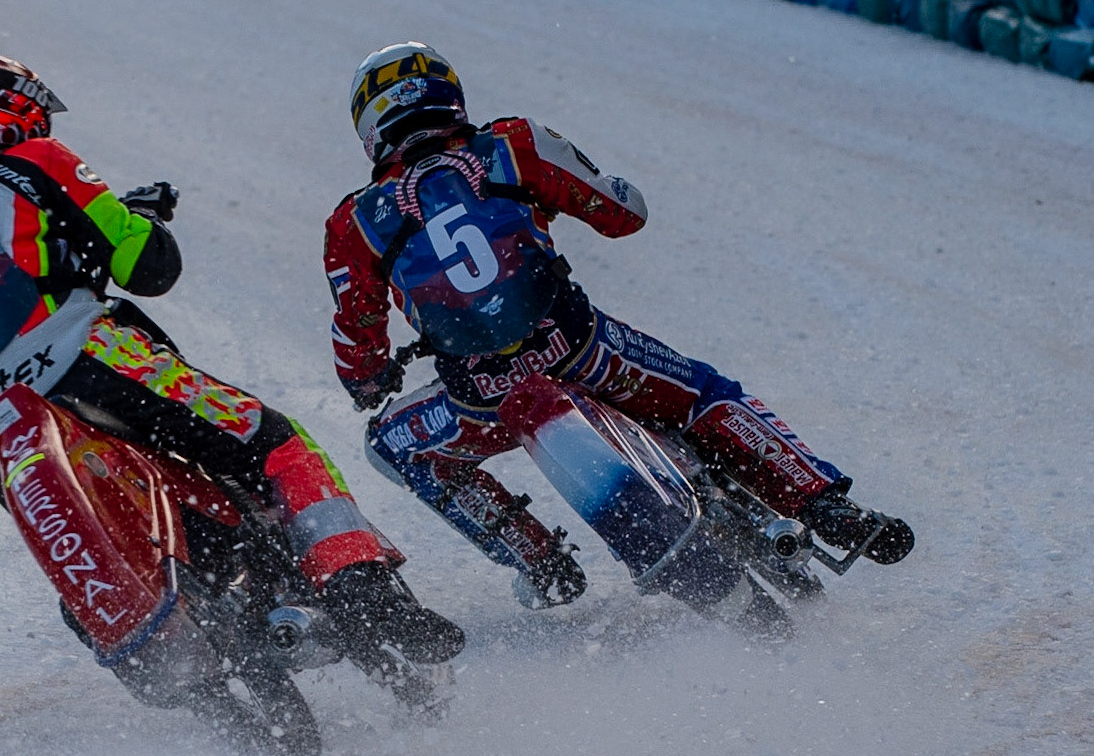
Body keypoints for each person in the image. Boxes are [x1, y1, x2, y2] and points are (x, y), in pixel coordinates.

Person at [0, 54, 463, 678]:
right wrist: (141, 220)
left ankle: (188, 666)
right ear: (11, 109)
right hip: (83, 362)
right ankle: (362, 588)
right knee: (273, 443)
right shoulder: (35, 161)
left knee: (103, 545)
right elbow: (146, 267)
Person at [324, 42, 914, 609]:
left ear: (369, 126)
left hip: (480, 401)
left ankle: (539, 560)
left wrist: (369, 381)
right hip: (584, 352)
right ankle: (824, 504)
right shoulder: (513, 143)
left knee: (392, 445)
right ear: (447, 93)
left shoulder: (353, 223)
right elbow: (622, 214)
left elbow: (356, 341)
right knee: (702, 395)